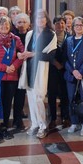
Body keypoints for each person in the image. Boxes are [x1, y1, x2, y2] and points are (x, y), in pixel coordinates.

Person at [18, 9, 57, 139]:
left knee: (39, 98)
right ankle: (34, 124)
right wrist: (22, 54)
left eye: (43, 18)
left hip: (42, 68)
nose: (40, 20)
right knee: (31, 98)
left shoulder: (51, 34)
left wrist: (33, 54)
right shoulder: (30, 34)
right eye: (38, 18)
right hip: (29, 67)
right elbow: (26, 50)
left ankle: (42, 126)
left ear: (47, 20)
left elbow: (51, 55)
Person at [0, 16, 24, 143]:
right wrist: (5, 67)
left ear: (10, 26)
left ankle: (4, 127)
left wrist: (14, 66)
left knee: (7, 104)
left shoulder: (16, 39)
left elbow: (22, 55)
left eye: (6, 25)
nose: (4, 27)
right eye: (1, 25)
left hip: (12, 77)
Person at [47, 15, 70, 130]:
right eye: (57, 23)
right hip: (52, 70)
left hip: (66, 70)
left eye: (62, 23)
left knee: (64, 95)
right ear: (53, 25)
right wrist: (56, 63)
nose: (60, 25)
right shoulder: (50, 37)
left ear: (65, 24)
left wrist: (65, 65)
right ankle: (52, 118)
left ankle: (66, 117)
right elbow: (46, 52)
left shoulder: (70, 37)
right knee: (51, 95)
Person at [12, 13, 31, 130]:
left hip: (26, 68)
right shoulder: (12, 36)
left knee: (20, 95)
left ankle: (18, 119)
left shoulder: (31, 35)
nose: (22, 25)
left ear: (28, 24)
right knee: (11, 95)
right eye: (19, 22)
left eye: (24, 22)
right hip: (14, 68)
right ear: (15, 24)